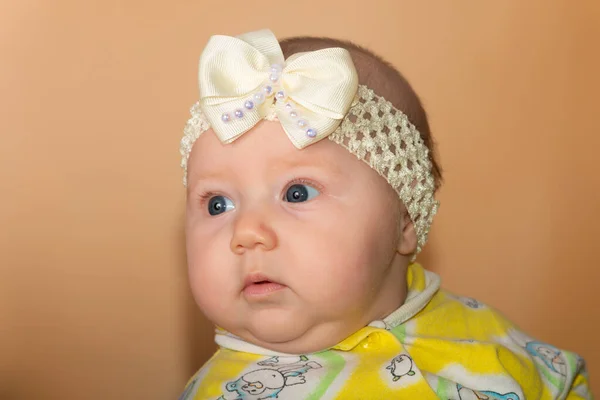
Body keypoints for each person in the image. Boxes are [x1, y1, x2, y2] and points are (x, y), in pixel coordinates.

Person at [177, 29, 591, 399]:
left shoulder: (486, 340)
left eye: (297, 193)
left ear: (404, 223)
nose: (246, 231)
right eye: (218, 204)